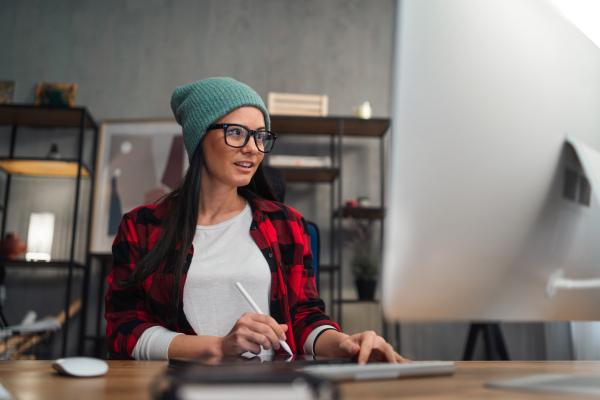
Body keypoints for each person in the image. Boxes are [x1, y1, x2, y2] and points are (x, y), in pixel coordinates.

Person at [105, 77, 405, 364]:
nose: (252, 147)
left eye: (261, 136)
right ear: (199, 138)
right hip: (181, 387)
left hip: (272, 386)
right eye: (236, 132)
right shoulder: (140, 228)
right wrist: (219, 347)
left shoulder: (286, 225)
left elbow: (303, 319)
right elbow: (123, 330)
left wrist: (344, 343)